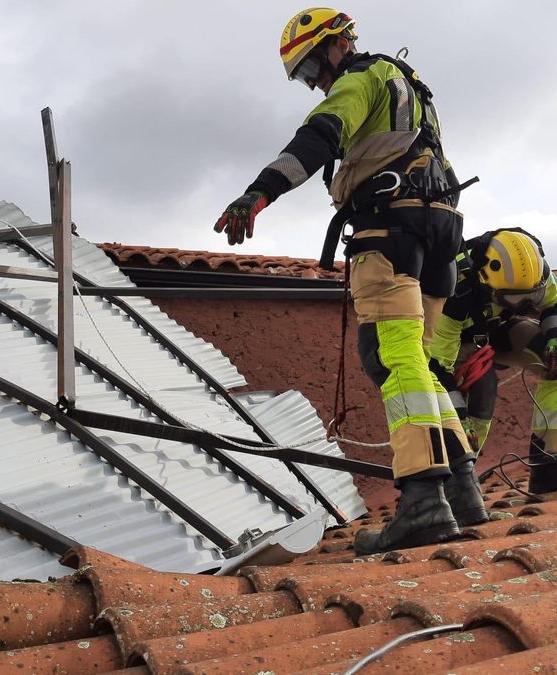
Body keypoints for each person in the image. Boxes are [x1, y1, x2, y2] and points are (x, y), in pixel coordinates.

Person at [213, 8, 487, 554]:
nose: (313, 81)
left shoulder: (362, 78)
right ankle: (461, 488)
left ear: (335, 46)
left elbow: (319, 136)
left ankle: (422, 501)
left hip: (392, 230)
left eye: (311, 66)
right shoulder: (410, 87)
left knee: (393, 358)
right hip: (440, 235)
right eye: (302, 77)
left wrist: (258, 193)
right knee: (419, 361)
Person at [430, 228, 557, 493]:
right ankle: (459, 480)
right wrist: (458, 416)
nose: (522, 303)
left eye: (529, 298)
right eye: (512, 298)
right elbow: (437, 368)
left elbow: (556, 305)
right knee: (481, 390)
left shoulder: (536, 274)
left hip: (499, 327)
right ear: (484, 278)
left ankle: (551, 466)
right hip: (457, 337)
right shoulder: (455, 289)